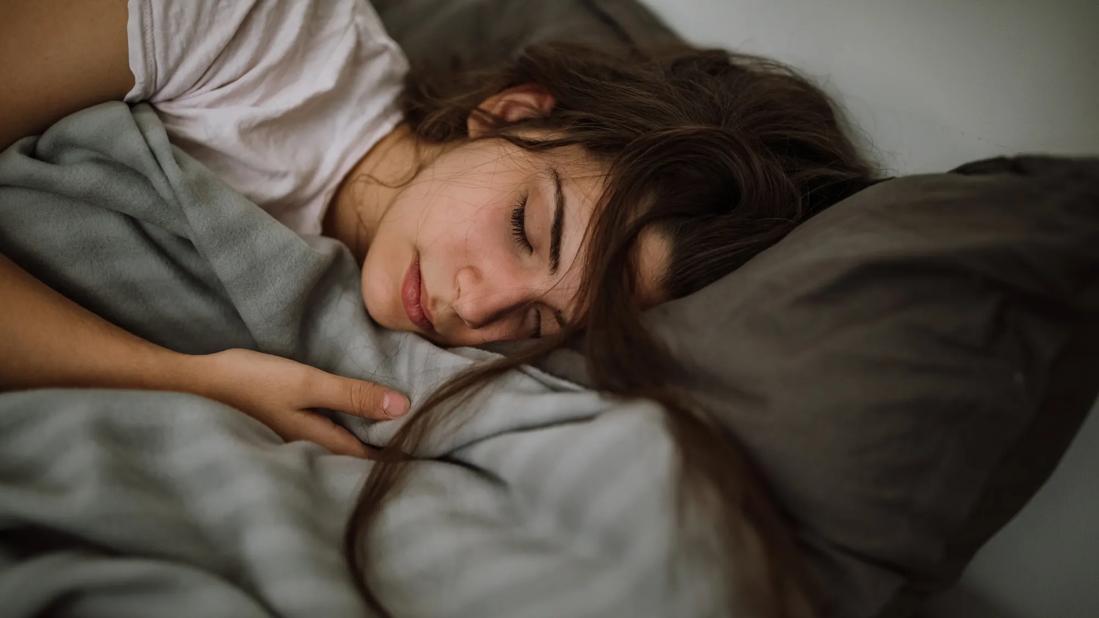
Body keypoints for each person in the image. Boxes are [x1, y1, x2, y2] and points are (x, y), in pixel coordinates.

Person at [2, 1, 880, 616]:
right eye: (526, 227)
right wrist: (178, 380)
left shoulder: (448, 363)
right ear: (509, 114)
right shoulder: (245, 33)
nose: (483, 306)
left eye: (541, 323)